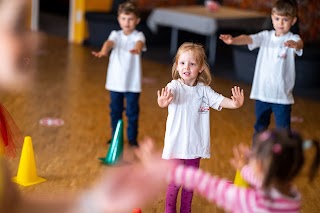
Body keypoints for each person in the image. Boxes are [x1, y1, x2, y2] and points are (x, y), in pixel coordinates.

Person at [137, 129, 320, 213]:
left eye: (254, 156)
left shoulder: (253, 202)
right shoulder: (293, 197)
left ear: (262, 167)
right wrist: (246, 170)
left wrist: (167, 170)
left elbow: (207, 184)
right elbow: (264, 183)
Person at [157, 42, 244, 213]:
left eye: (192, 63)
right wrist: (162, 102)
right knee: (175, 183)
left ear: (201, 68)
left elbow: (220, 100)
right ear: (177, 65)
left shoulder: (204, 90)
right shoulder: (174, 86)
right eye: (182, 63)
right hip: (176, 147)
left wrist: (235, 103)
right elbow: (167, 96)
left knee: (190, 185)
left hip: (194, 148)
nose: (186, 67)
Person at [219, 0, 304, 140]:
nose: (280, 23)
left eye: (285, 19)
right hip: (262, 94)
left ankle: (283, 157)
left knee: (283, 131)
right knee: (260, 127)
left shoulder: (293, 38)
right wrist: (233, 40)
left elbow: (300, 44)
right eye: (277, 18)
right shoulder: (265, 36)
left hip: (282, 97)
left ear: (293, 21)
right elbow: (248, 39)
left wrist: (295, 45)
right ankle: (257, 155)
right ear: (272, 17)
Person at [92, 0, 146, 147]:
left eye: (130, 19)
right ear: (118, 19)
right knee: (115, 112)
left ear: (137, 20)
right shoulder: (115, 34)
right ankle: (116, 137)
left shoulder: (138, 35)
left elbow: (140, 43)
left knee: (132, 113)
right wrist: (104, 51)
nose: (127, 22)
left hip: (132, 85)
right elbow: (109, 43)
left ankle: (132, 139)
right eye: (123, 18)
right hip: (115, 83)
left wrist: (137, 48)